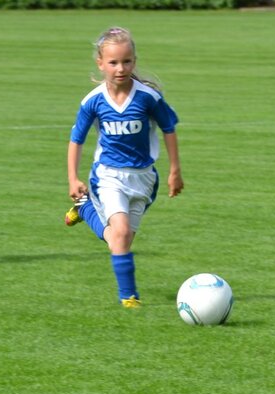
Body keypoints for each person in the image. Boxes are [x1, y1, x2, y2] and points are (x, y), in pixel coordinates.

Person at [65, 27, 183, 308]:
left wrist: (174, 170)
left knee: (121, 240)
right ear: (100, 63)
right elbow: (76, 139)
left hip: (143, 179)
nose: (120, 68)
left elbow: (169, 128)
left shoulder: (148, 98)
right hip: (108, 176)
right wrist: (73, 178)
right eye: (113, 62)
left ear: (134, 61)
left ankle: (85, 209)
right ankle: (129, 297)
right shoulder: (93, 101)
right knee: (120, 233)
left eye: (127, 61)